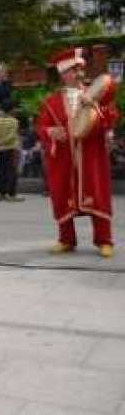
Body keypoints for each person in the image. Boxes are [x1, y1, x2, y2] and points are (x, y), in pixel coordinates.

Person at [37, 47, 118, 257]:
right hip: (64, 156)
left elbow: (112, 117)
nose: (72, 75)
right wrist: (50, 131)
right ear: (62, 75)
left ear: (81, 70)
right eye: (67, 71)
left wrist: (97, 110)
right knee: (63, 195)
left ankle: (104, 240)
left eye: (75, 70)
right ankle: (66, 239)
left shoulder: (95, 94)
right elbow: (42, 127)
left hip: (91, 154)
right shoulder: (51, 102)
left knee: (97, 193)